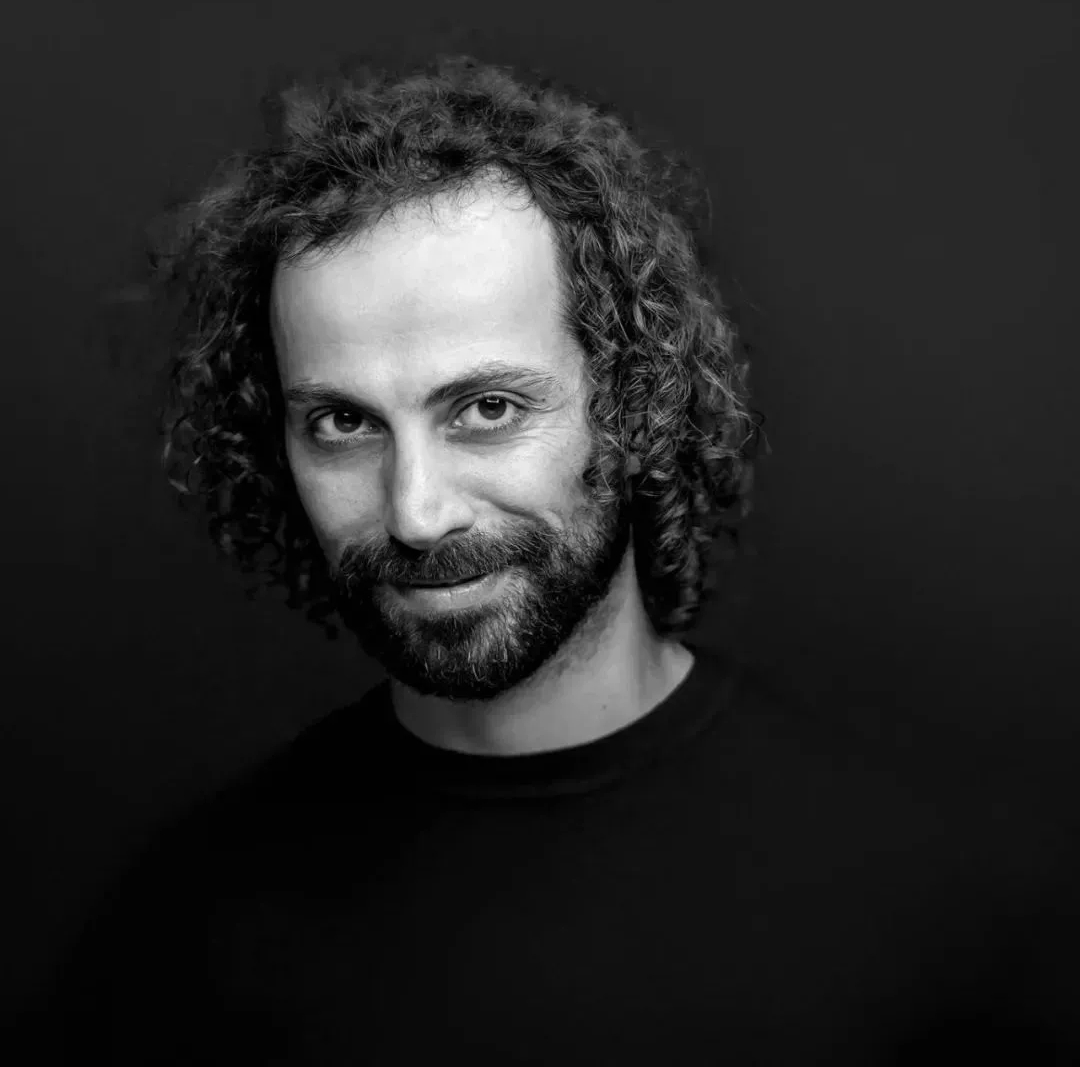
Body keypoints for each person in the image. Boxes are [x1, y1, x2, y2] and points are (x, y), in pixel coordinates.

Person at [37, 54, 1077, 1065]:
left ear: (632, 402)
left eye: (487, 408)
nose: (416, 513)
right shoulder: (184, 935)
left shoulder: (934, 908)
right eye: (345, 424)